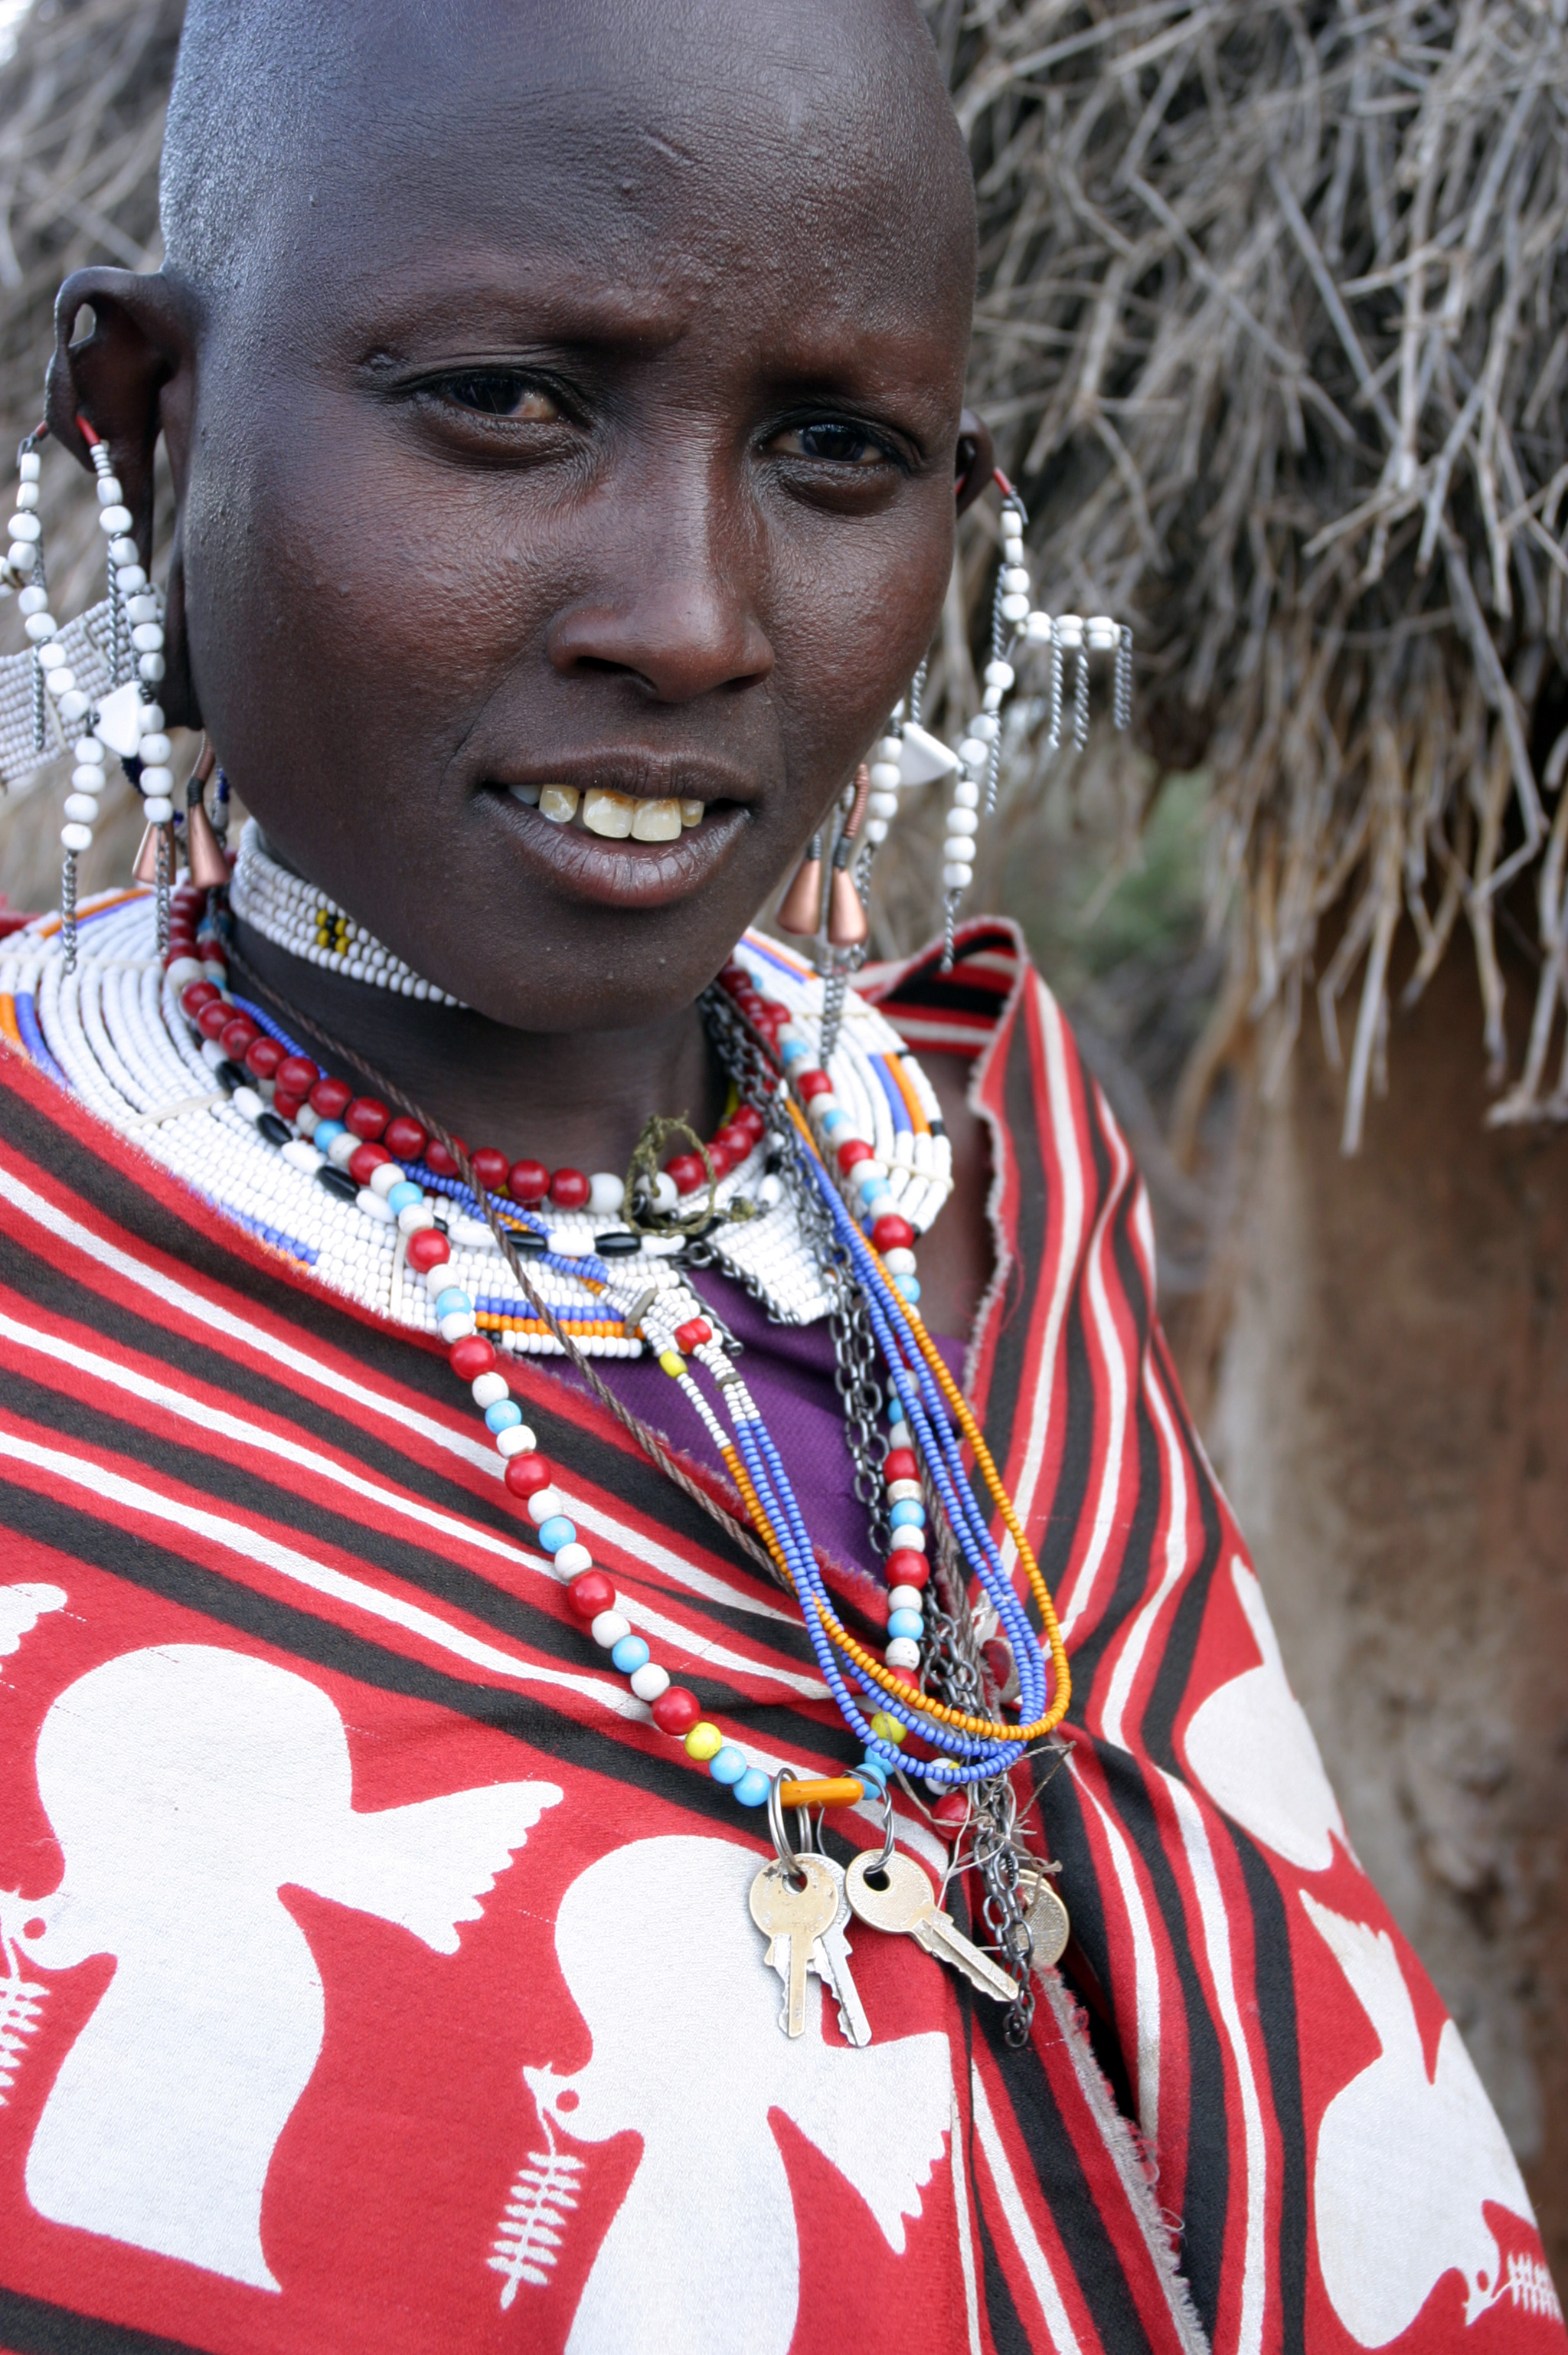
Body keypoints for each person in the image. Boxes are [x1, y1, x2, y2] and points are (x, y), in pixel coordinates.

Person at [0, 2, 1558, 2350]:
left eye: (838, 447)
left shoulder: (994, 1175)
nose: (698, 616)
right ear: (149, 416)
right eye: (512, 402)